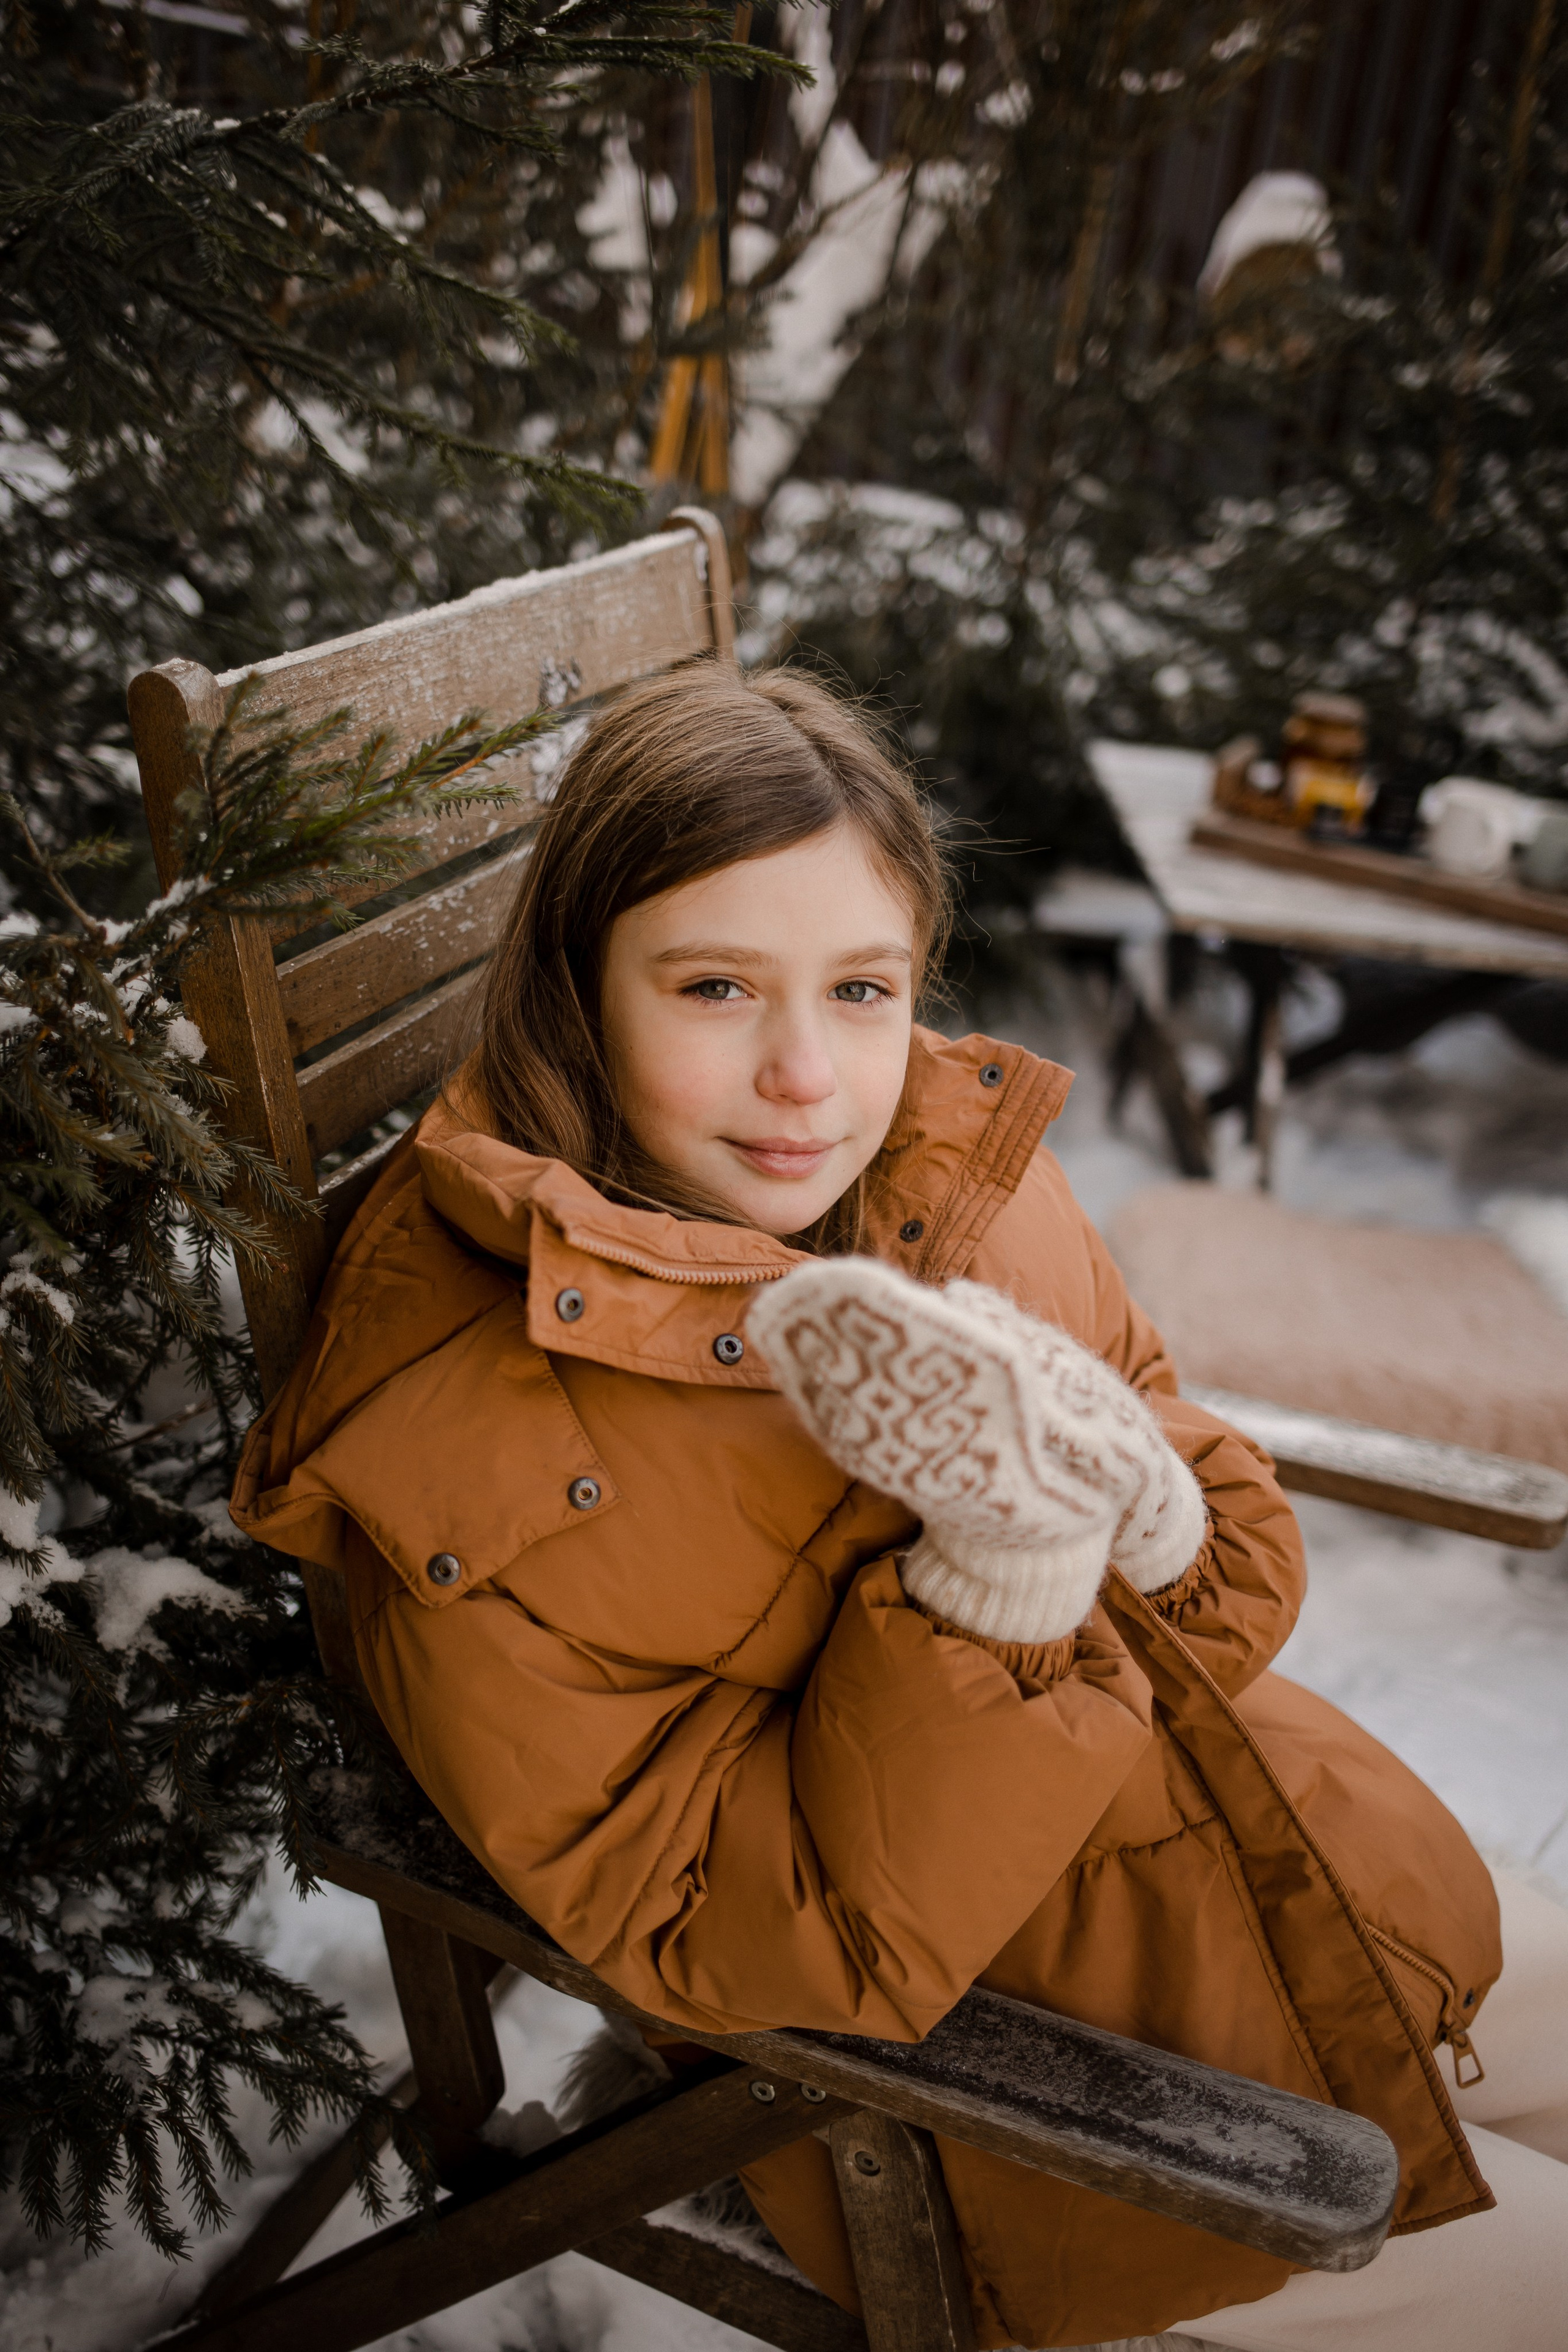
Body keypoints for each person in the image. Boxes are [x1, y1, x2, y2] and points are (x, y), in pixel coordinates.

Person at [232, 663, 1568, 2351]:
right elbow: (717, 1929)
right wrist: (997, 1589)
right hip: (1016, 2101)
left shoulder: (943, 1169)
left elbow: (1194, 1517)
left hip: (1272, 1852)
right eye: (716, 986)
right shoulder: (475, 1444)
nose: (810, 1074)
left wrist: (1153, 1509)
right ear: (576, 995)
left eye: (862, 988)